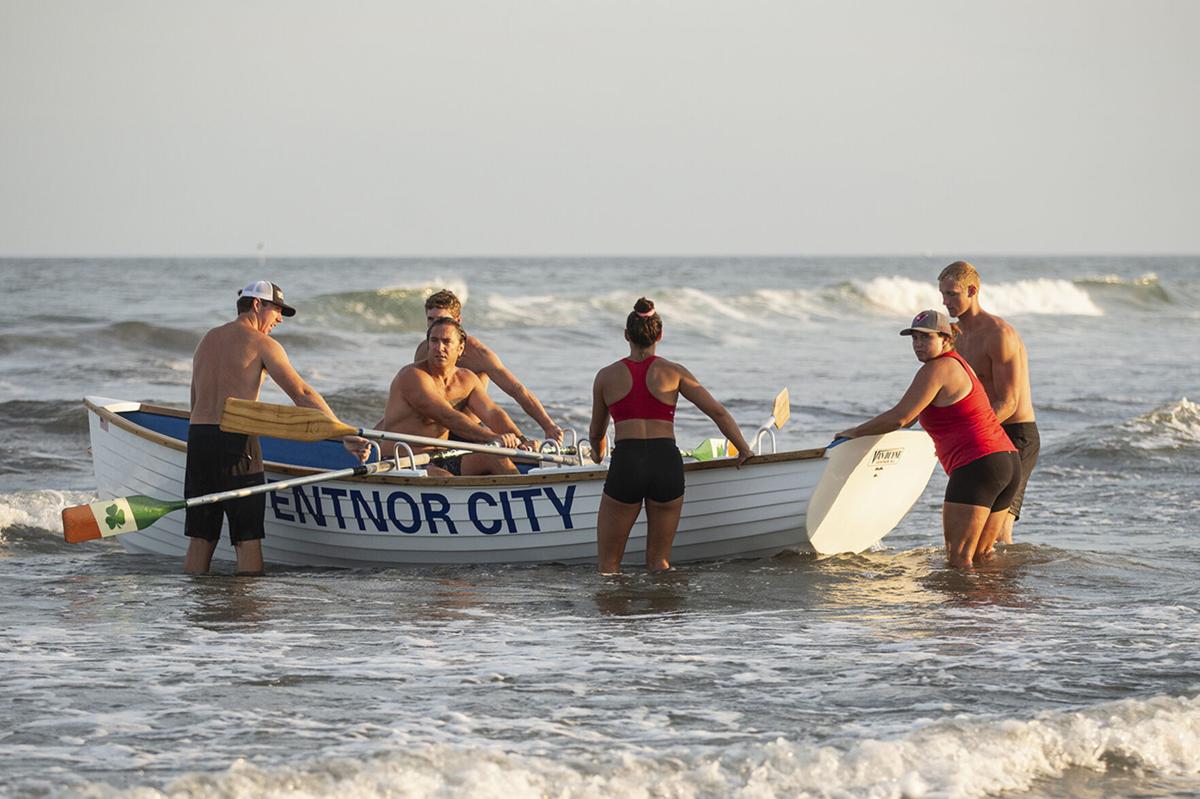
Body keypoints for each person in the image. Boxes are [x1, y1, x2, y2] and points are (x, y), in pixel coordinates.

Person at [185, 281, 370, 576]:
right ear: (257, 305)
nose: (280, 318)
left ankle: (192, 609)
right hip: (236, 439)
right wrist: (342, 433)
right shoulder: (262, 344)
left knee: (201, 537)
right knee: (247, 538)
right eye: (277, 310)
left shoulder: (207, 339)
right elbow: (302, 394)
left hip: (198, 438)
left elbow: (194, 401)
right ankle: (248, 612)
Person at [836, 310, 1020, 569]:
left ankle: (960, 610)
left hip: (978, 465)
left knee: (958, 559)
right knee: (981, 557)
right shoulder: (960, 364)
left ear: (946, 339)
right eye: (914, 339)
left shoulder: (937, 368)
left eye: (926, 338)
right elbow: (910, 419)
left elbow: (900, 417)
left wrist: (854, 432)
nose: (918, 345)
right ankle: (989, 609)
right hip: (1006, 463)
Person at [588, 298, 752, 574]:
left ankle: (615, 617)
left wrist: (597, 454)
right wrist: (743, 449)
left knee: (609, 566)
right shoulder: (674, 372)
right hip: (666, 462)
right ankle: (666, 614)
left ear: (626, 335)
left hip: (628, 462)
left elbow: (596, 433)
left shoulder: (606, 377)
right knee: (659, 564)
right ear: (660, 335)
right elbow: (718, 413)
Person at [938, 261, 1038, 545]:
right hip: (982, 435)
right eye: (942, 295)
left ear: (972, 290)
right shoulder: (955, 336)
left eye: (952, 294)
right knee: (972, 530)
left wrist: (965, 433)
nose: (946, 302)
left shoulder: (999, 334)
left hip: (1015, 436)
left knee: (998, 531)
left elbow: (1008, 401)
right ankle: (981, 586)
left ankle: (1005, 587)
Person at [414, 289, 564, 445]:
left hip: (472, 431)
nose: (435, 325)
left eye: (442, 320)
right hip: (436, 432)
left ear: (458, 321)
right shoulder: (423, 351)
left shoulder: (478, 354)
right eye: (431, 320)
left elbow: (516, 390)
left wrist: (548, 426)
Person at [379, 316, 525, 476]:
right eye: (434, 341)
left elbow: (491, 412)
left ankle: (526, 492)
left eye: (446, 342)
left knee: (496, 458)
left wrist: (521, 441)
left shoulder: (467, 379)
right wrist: (492, 437)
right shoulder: (413, 376)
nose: (439, 347)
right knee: (445, 479)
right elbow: (445, 416)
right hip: (402, 461)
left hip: (443, 458)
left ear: (461, 348)